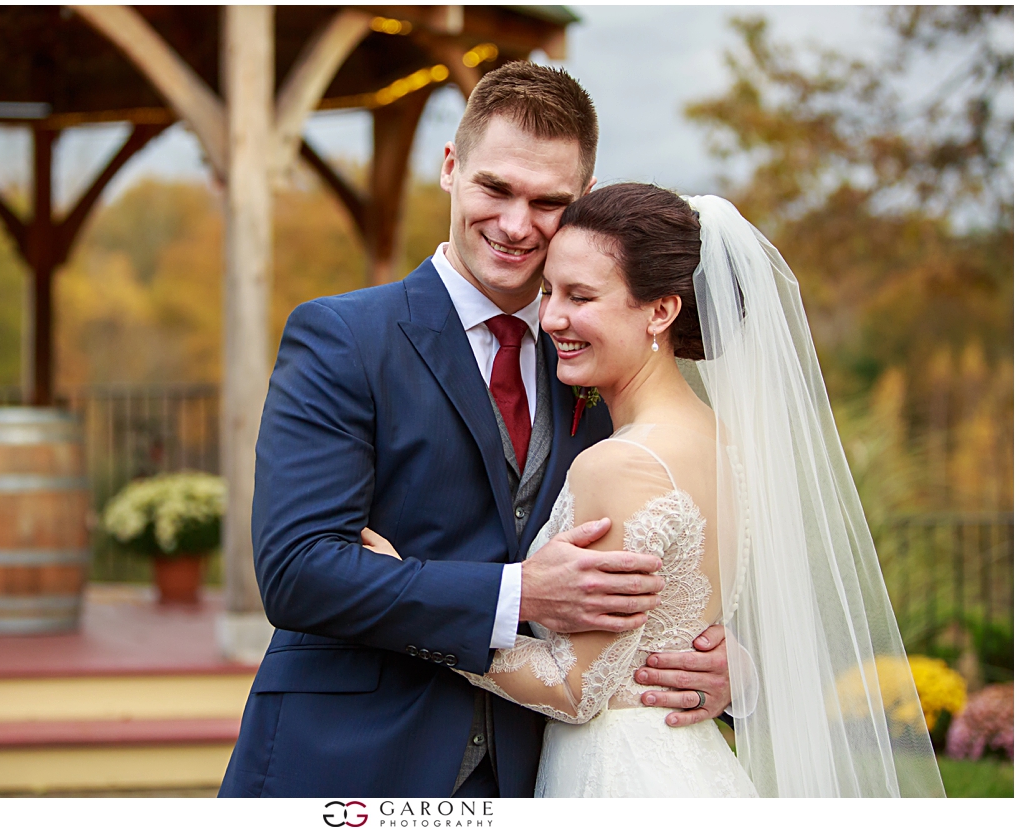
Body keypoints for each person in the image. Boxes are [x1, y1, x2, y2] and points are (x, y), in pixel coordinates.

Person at [218, 64, 736, 798]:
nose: (517, 224)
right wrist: (516, 592)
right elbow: (298, 570)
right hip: (356, 763)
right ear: (452, 168)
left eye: (548, 201)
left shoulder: (598, 366)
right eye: (496, 188)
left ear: (582, 202)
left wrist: (728, 661)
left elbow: (686, 552)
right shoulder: (342, 337)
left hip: (538, 773)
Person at [368, 183, 946, 796]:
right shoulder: (724, 441)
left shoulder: (618, 464)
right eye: (549, 292)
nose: (553, 317)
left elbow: (574, 689)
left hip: (618, 773)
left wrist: (421, 613)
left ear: (661, 312)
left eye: (581, 296)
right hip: (688, 761)